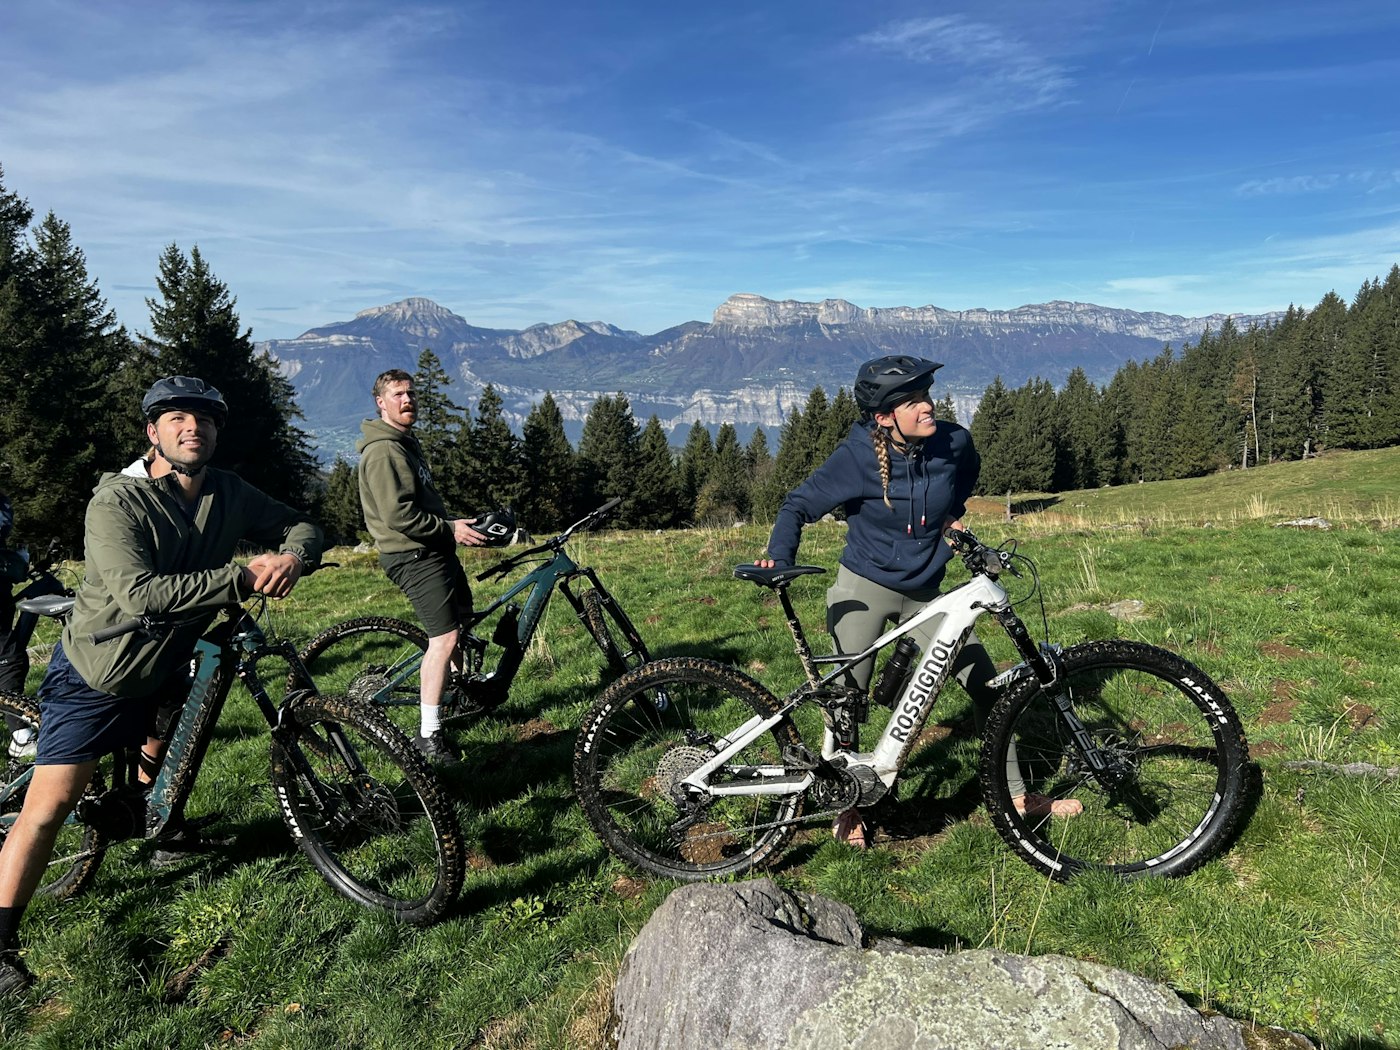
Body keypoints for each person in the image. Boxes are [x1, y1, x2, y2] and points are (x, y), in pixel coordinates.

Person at [0, 375, 323, 995]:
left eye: (203, 420)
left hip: (168, 659)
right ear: (153, 433)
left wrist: (292, 558)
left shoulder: (226, 491)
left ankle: (159, 826)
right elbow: (139, 592)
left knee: (170, 735)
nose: (191, 428)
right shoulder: (116, 502)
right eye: (176, 419)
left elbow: (299, 523)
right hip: (102, 670)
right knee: (49, 807)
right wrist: (242, 579)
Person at [756, 355, 1081, 848]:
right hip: (863, 585)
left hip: (927, 592)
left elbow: (965, 475)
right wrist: (778, 555)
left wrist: (950, 515)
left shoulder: (954, 442)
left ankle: (1017, 796)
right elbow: (798, 504)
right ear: (885, 416)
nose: (928, 406)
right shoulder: (857, 456)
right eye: (913, 401)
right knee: (846, 703)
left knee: (986, 687)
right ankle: (846, 804)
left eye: (927, 395)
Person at [356, 369, 489, 766]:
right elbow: (399, 517)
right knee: (444, 639)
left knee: (460, 626)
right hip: (413, 555)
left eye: (411, 393)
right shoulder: (384, 451)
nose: (407, 400)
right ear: (381, 402)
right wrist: (450, 529)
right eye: (398, 394)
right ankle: (429, 734)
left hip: (433, 548)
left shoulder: (403, 442)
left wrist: (456, 526)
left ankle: (455, 699)